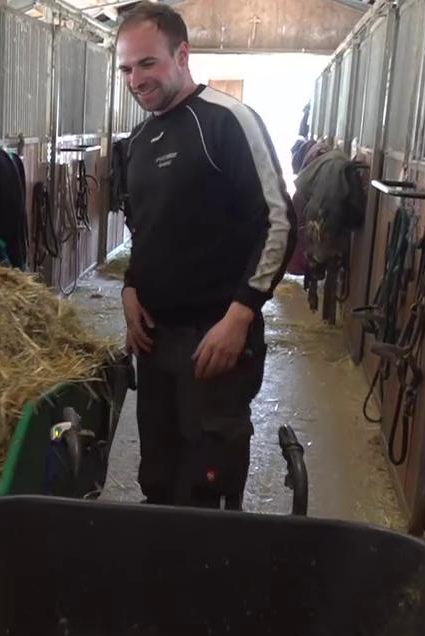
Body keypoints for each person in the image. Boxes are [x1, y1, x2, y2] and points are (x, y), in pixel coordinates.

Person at [115, 3, 297, 510]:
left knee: (207, 483)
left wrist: (241, 313)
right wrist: (130, 285)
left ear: (182, 54)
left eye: (147, 64)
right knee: (158, 477)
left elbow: (279, 220)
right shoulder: (138, 141)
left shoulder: (227, 121)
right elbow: (145, 228)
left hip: (214, 339)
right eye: (126, 69)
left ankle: (210, 581)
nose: (135, 80)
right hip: (154, 342)